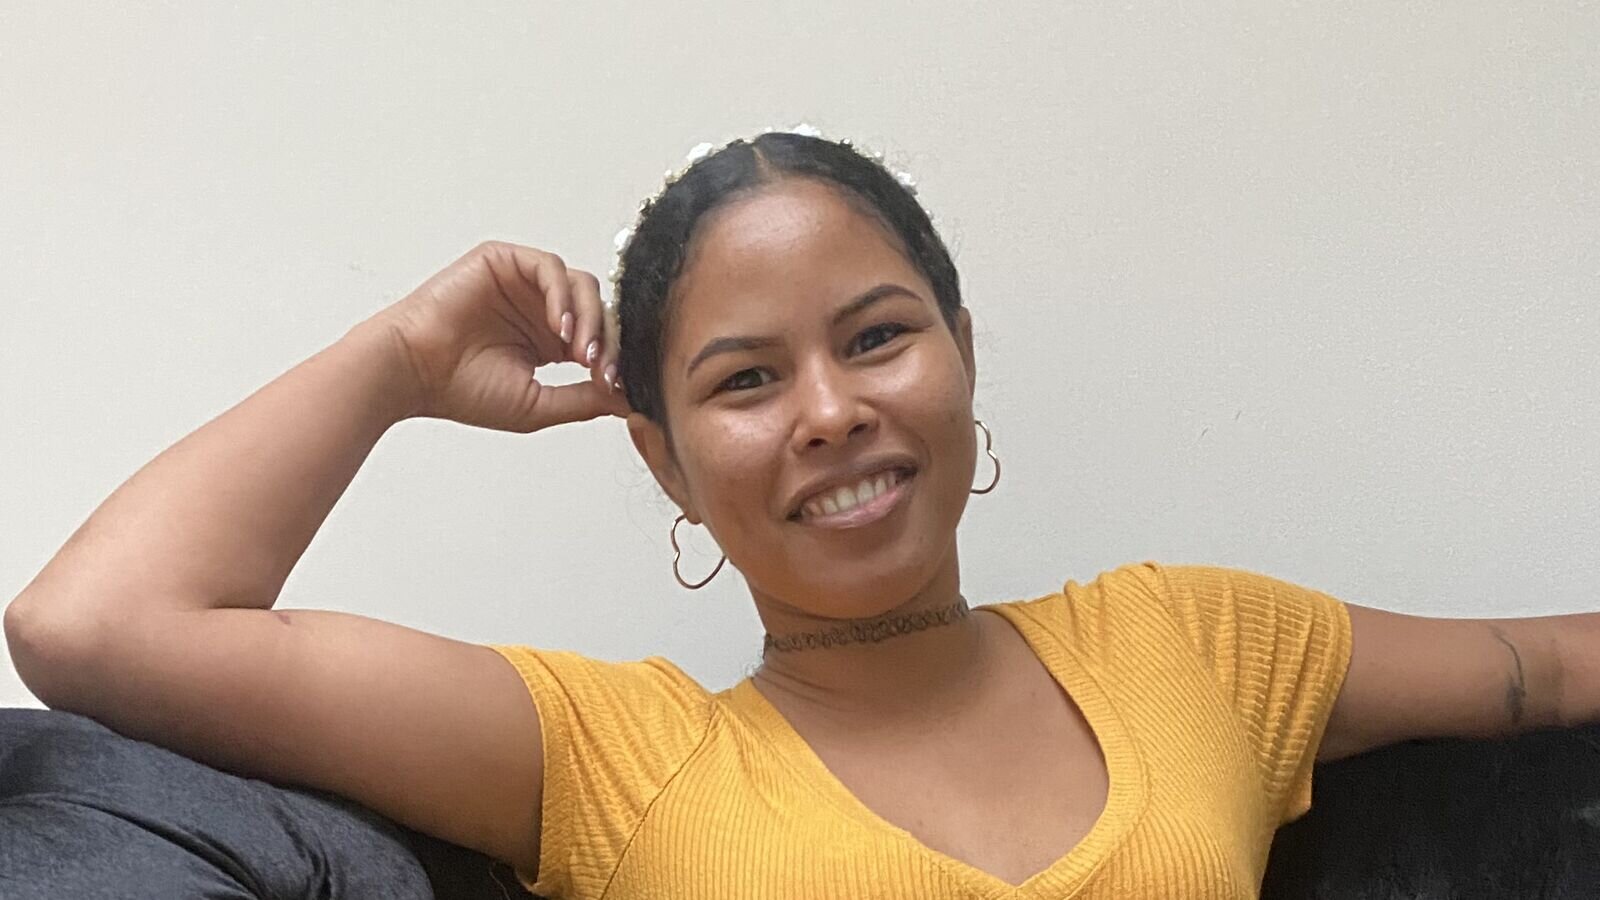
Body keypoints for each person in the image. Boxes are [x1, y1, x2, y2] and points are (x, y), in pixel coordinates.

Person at [4, 128, 1588, 899]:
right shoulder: (619, 758)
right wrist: (403, 358)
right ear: (665, 464)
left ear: (963, 358)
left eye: (878, 337)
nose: (829, 409)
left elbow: (1562, 665)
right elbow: (93, 627)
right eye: (747, 379)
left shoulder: (1196, 644)